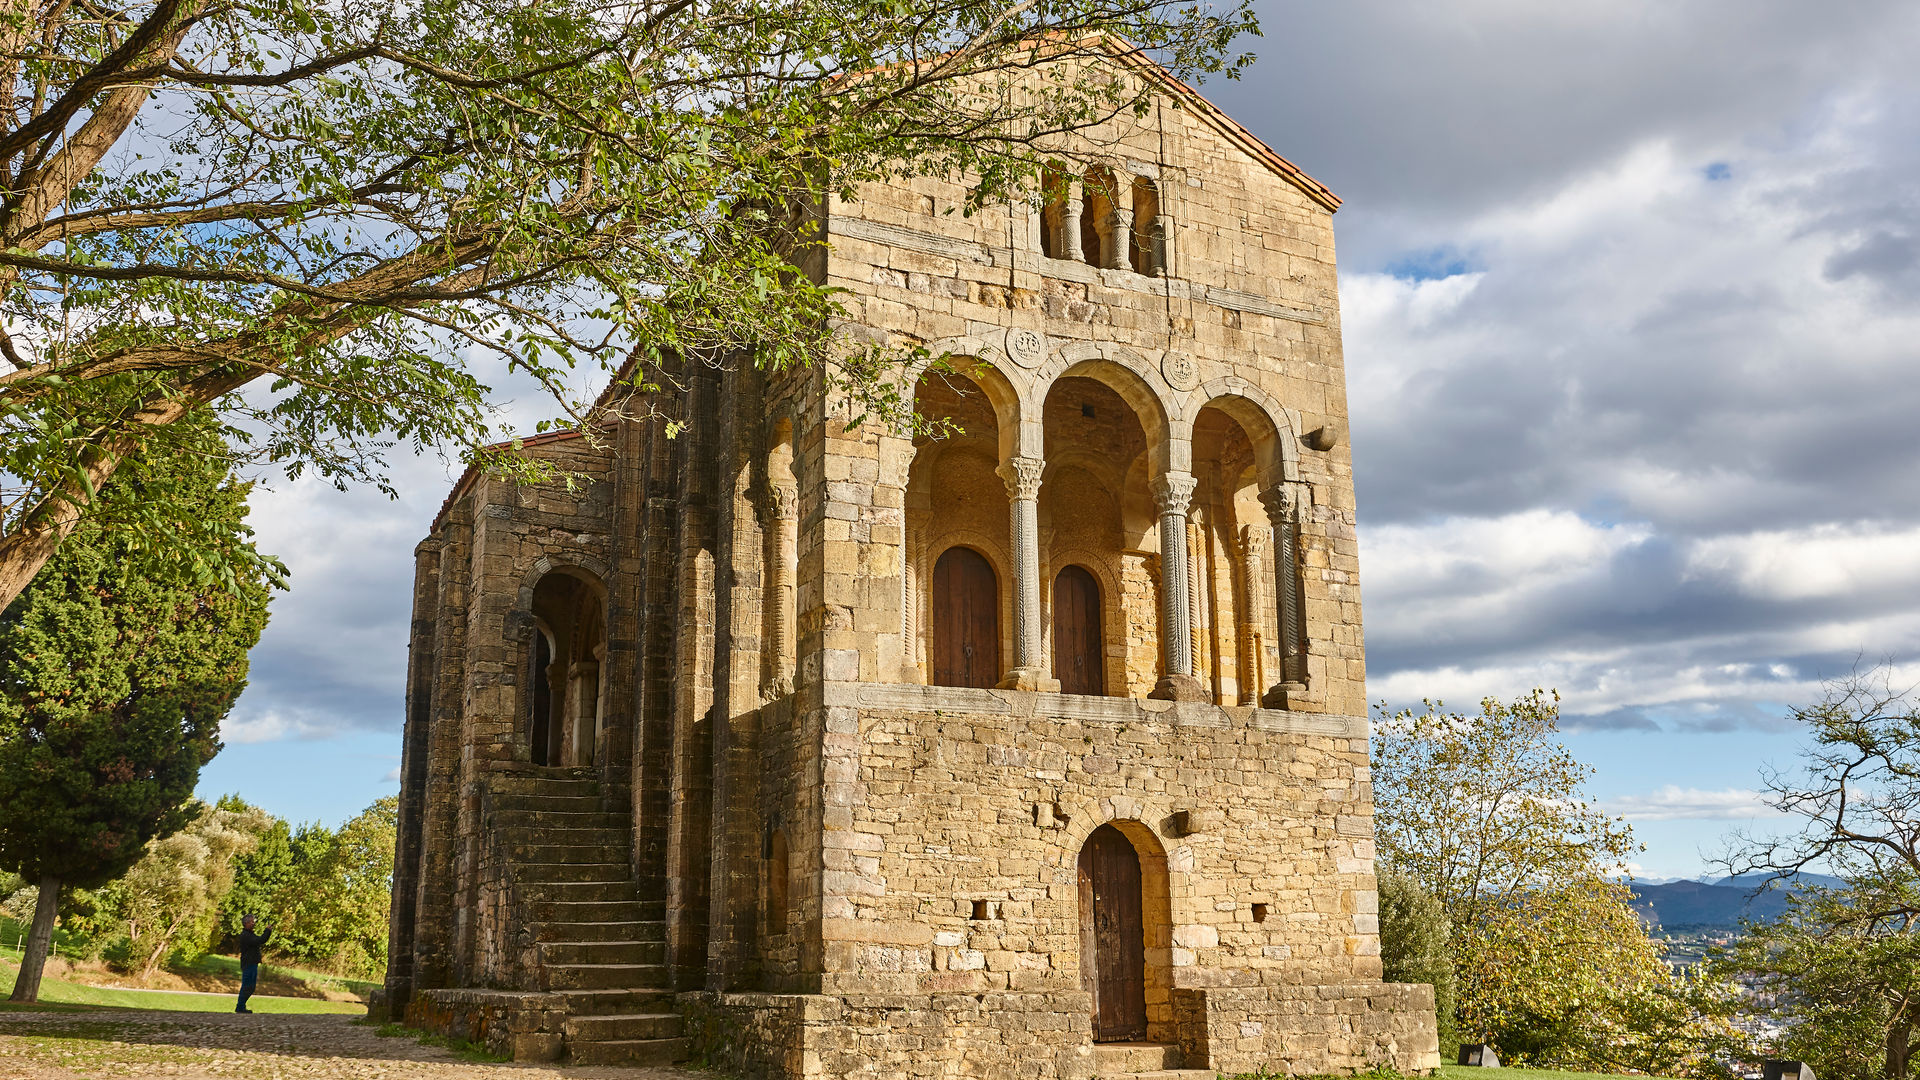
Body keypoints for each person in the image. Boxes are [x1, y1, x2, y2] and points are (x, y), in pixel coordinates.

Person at [235, 913, 274, 1014]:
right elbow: (260, 940)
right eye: (252, 921)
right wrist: (267, 931)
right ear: (246, 923)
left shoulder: (249, 934)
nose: (254, 923)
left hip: (252, 963)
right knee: (247, 986)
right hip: (249, 964)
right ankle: (240, 1007)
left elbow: (260, 940)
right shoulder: (246, 935)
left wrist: (267, 931)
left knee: (251, 987)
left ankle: (241, 1006)